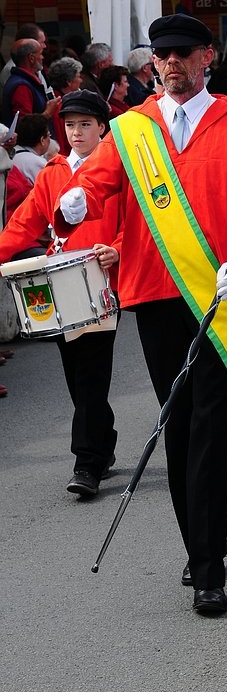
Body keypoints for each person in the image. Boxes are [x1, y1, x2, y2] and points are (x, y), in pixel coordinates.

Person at [55, 15, 227, 616]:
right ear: (153, 63)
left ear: (206, 56)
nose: (172, 64)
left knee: (211, 427)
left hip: (218, 299)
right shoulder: (131, 130)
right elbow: (96, 190)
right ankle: (200, 542)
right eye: (162, 56)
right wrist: (75, 203)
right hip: (156, 296)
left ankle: (209, 565)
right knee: (178, 425)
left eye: (183, 53)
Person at [0, 91, 122, 497]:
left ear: (102, 127)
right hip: (59, 287)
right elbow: (24, 223)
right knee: (78, 378)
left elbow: (136, 223)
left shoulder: (116, 168)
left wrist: (118, 247)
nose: (76, 132)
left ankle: (86, 462)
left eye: (85, 124)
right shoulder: (53, 172)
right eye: (69, 125)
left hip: (101, 286)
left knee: (90, 375)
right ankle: (102, 441)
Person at [2, 38, 59, 126]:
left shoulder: (25, 81)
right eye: (40, 54)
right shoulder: (21, 87)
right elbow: (25, 125)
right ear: (31, 58)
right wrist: (48, 112)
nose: (42, 57)